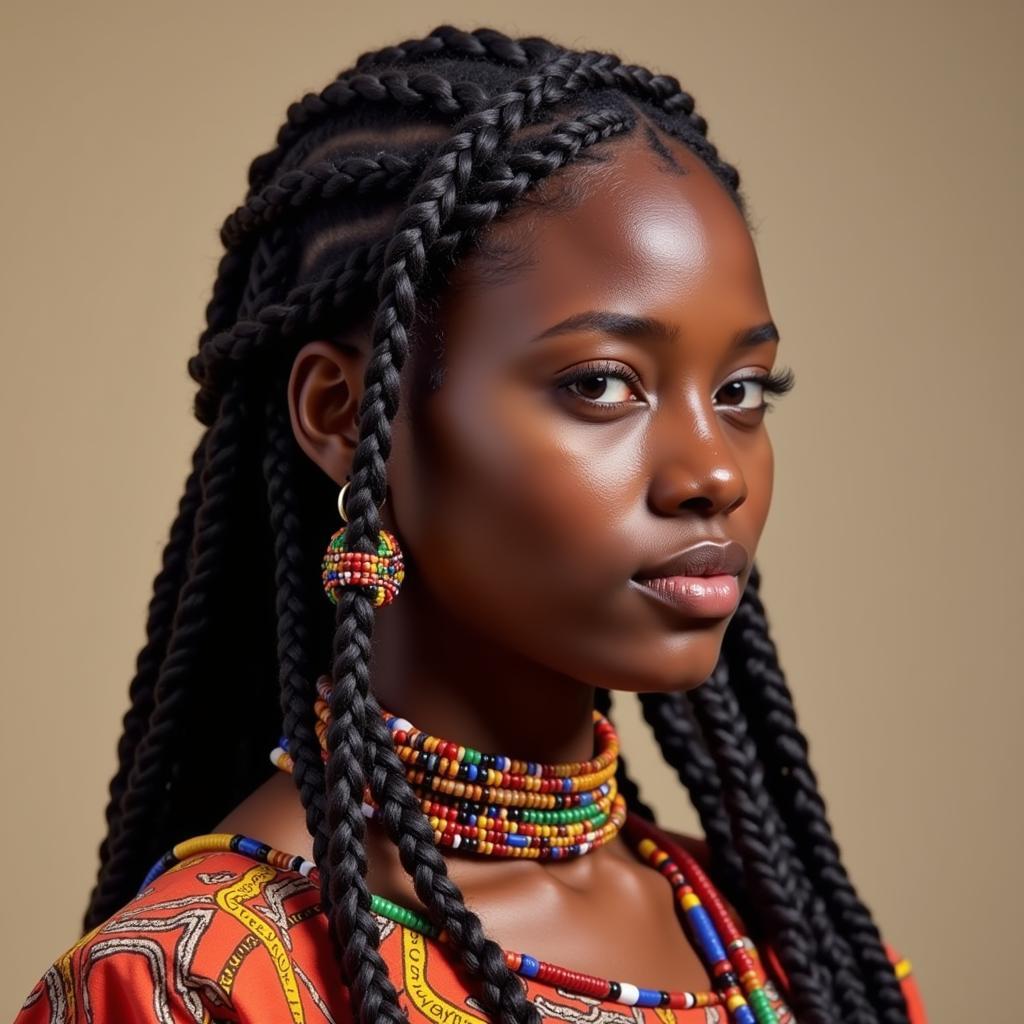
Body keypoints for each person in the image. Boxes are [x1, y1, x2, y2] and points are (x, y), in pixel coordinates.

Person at [15, 24, 927, 1024]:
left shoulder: (807, 958)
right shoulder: (187, 986)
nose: (713, 470)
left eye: (743, 388)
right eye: (600, 384)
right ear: (343, 413)